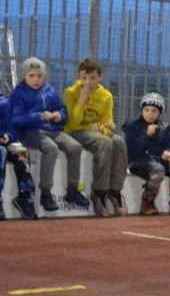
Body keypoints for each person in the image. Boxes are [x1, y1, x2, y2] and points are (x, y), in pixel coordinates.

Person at [9, 57, 90, 212]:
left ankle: (72, 190)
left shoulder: (50, 90)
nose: (36, 80)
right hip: (30, 132)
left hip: (53, 129)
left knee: (75, 147)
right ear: (24, 76)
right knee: (50, 148)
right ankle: (46, 192)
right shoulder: (18, 94)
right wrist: (38, 116)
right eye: (31, 76)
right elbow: (15, 119)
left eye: (39, 76)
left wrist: (60, 116)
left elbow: (63, 111)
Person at [63, 57, 128, 217]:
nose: (88, 82)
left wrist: (104, 129)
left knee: (118, 141)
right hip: (75, 132)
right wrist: (82, 100)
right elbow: (73, 122)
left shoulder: (106, 96)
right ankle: (99, 192)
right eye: (83, 78)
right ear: (78, 78)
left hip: (97, 133)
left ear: (100, 77)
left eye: (92, 78)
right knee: (105, 142)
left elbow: (108, 122)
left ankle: (115, 191)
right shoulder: (71, 92)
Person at [122, 91, 170, 216]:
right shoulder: (132, 126)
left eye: (154, 111)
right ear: (142, 110)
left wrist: (169, 152)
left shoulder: (165, 127)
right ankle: (147, 202)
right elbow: (132, 150)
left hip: (159, 160)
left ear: (159, 112)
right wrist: (146, 135)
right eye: (147, 110)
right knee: (157, 169)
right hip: (138, 161)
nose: (150, 114)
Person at [0, 92, 37, 219]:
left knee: (21, 151)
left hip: (5, 141)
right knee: (1, 152)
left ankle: (25, 196)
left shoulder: (5, 103)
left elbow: (14, 126)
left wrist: (8, 136)